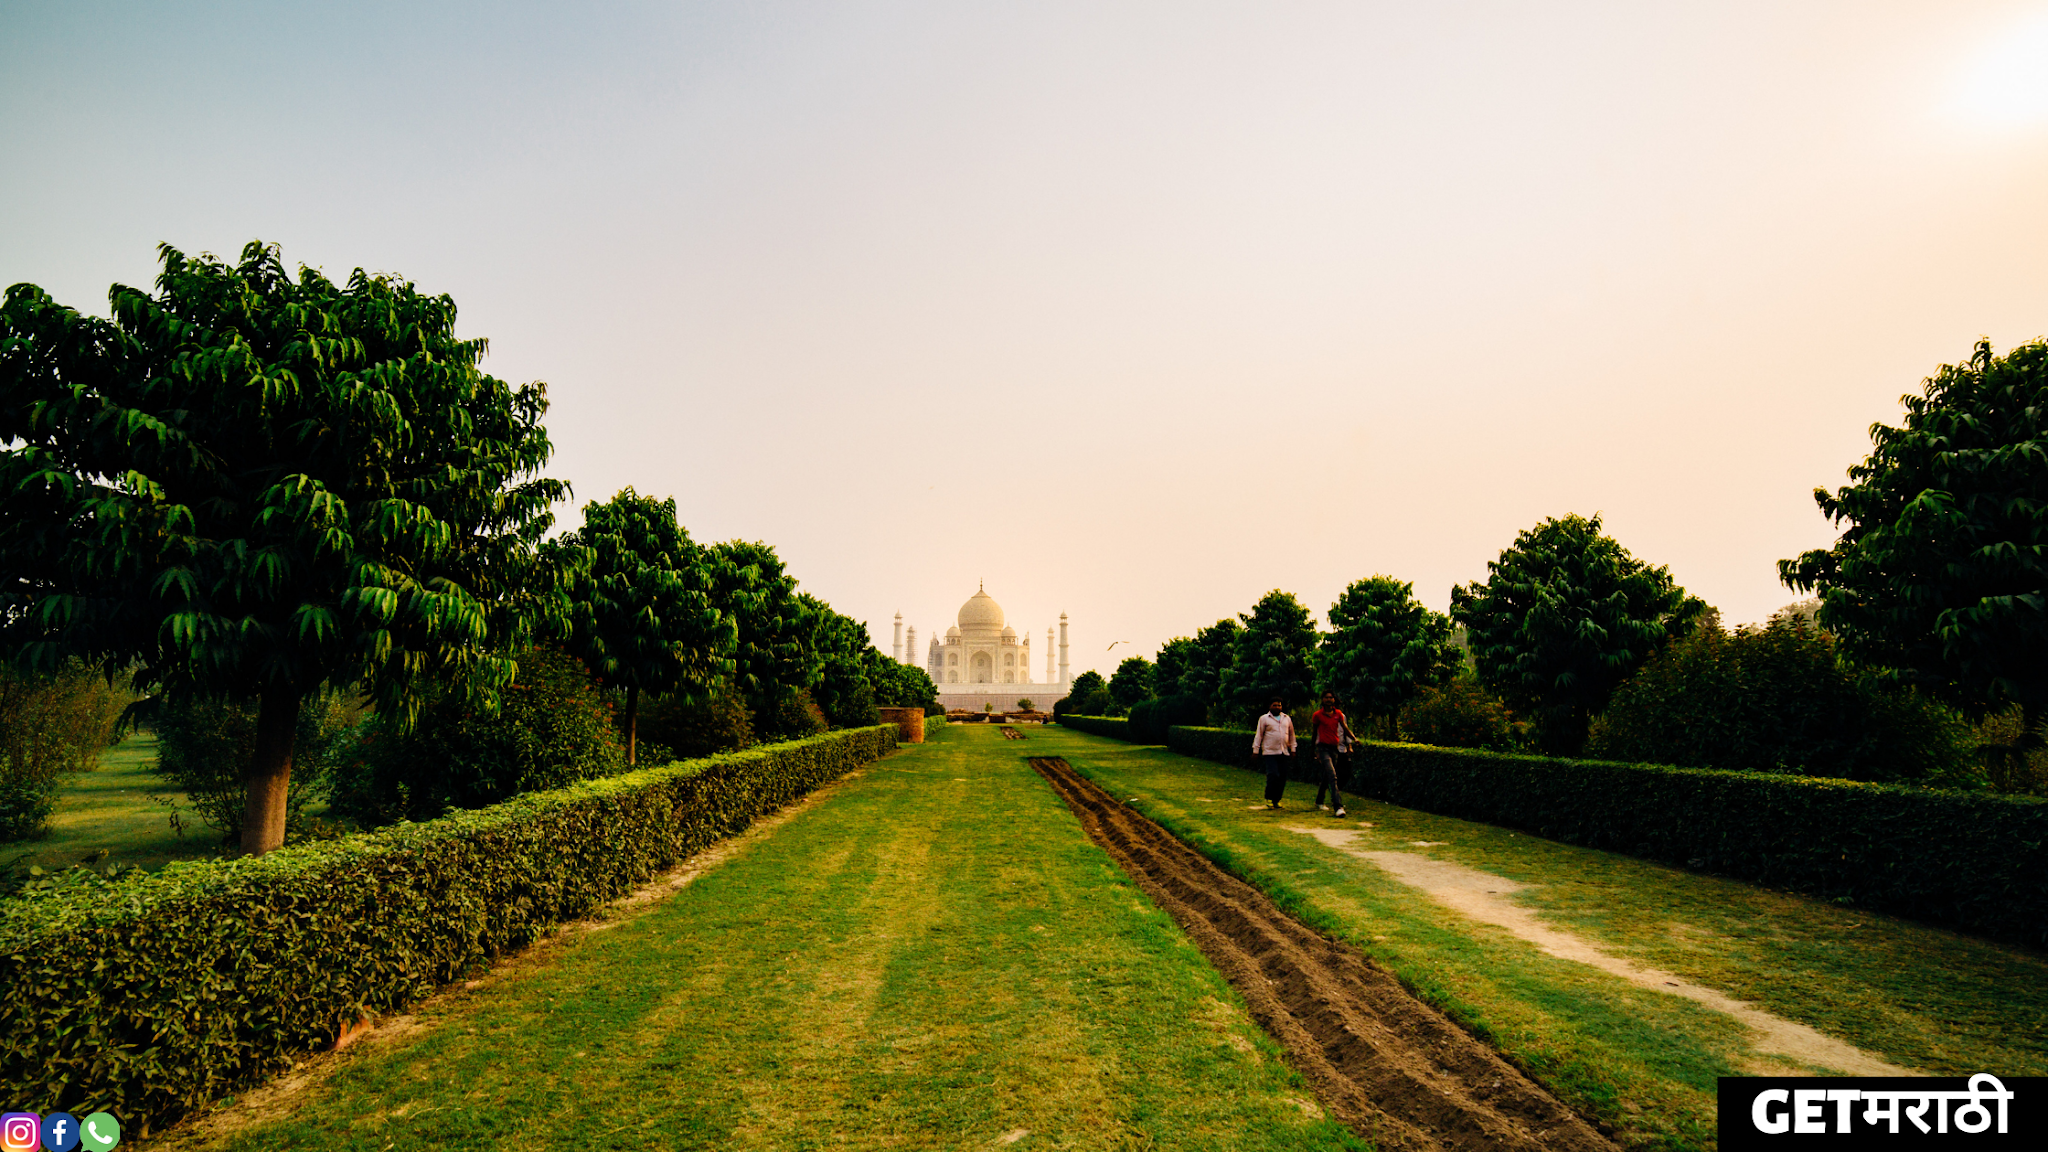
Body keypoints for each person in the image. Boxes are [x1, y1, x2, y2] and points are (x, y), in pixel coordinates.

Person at [1309, 690, 1355, 817]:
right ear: (1322, 700)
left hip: (1334, 748)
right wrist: (1313, 750)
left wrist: (1354, 739)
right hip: (1323, 748)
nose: (1329, 700)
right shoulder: (1317, 715)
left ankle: (1319, 800)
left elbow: (1345, 728)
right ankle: (1338, 806)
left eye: (1331, 697)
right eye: (1326, 697)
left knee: (1327, 776)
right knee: (1332, 775)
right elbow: (1314, 733)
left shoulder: (1338, 714)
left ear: (1334, 700)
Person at [1250, 697, 1295, 808]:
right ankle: (1269, 797)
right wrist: (1256, 750)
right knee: (1273, 774)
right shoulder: (1264, 719)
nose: (1277, 707)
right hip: (1270, 752)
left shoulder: (1286, 718)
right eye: (1274, 705)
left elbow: (1291, 735)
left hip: (1283, 752)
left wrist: (1293, 749)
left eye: (1279, 705)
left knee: (1282, 776)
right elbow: (1259, 735)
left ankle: (1276, 800)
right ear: (1270, 706)